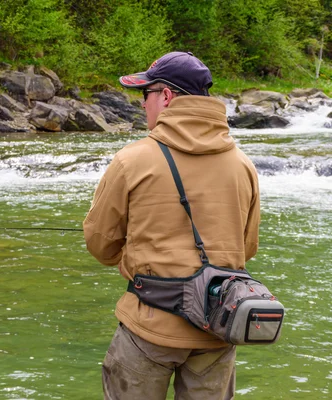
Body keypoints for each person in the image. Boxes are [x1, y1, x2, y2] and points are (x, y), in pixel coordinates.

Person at [83, 51, 260, 399]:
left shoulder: (131, 160)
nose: (142, 104)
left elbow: (100, 246)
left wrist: (134, 256)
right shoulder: (243, 165)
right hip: (217, 329)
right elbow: (246, 248)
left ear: (165, 96)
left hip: (148, 329)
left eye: (144, 94)